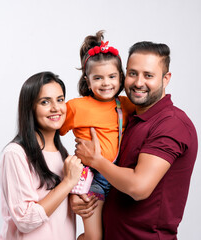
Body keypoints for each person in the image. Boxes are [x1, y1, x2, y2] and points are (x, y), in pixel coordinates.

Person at [72, 42, 198, 239]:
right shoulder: (129, 117)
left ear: (166, 79)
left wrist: (96, 160)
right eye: (132, 73)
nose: (139, 82)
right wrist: (84, 197)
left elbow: (138, 187)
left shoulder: (171, 124)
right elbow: (112, 177)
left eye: (148, 75)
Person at [60, 31, 135, 240]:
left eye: (112, 77)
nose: (106, 83)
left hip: (118, 177)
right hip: (92, 180)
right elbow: (52, 130)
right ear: (87, 80)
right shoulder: (76, 107)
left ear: (120, 77)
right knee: (95, 238)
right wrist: (68, 167)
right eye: (98, 78)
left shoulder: (126, 105)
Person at [0, 71, 84, 240]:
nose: (56, 108)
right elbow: (25, 219)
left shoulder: (63, 154)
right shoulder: (16, 154)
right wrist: (67, 182)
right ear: (30, 108)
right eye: (45, 102)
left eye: (60, 99)